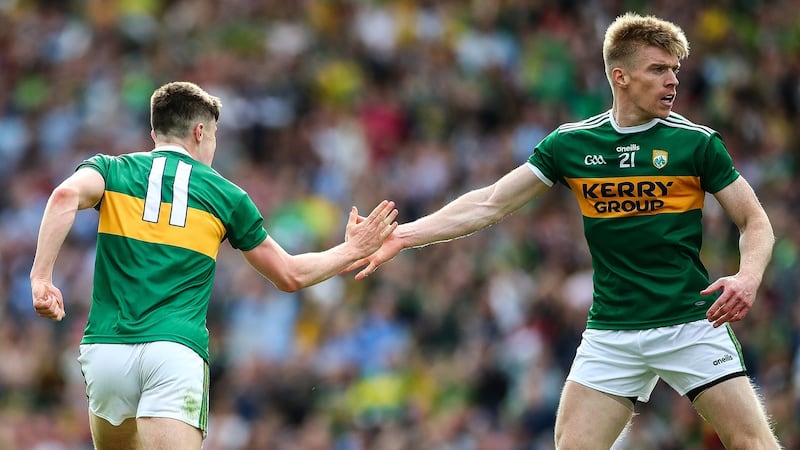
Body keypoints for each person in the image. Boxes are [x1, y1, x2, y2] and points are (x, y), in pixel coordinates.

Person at [347, 12, 780, 449]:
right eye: (658, 69)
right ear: (621, 76)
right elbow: (490, 201)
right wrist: (404, 236)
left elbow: (754, 221)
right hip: (612, 332)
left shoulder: (697, 143)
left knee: (753, 444)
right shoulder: (571, 144)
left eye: (674, 70)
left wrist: (748, 276)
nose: (672, 81)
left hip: (690, 321)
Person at [29, 81, 398, 450]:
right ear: (200, 132)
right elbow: (290, 274)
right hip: (173, 352)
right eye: (215, 136)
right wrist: (351, 250)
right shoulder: (225, 194)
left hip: (107, 351)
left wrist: (41, 277)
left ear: (155, 132)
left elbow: (63, 195)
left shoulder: (112, 170)